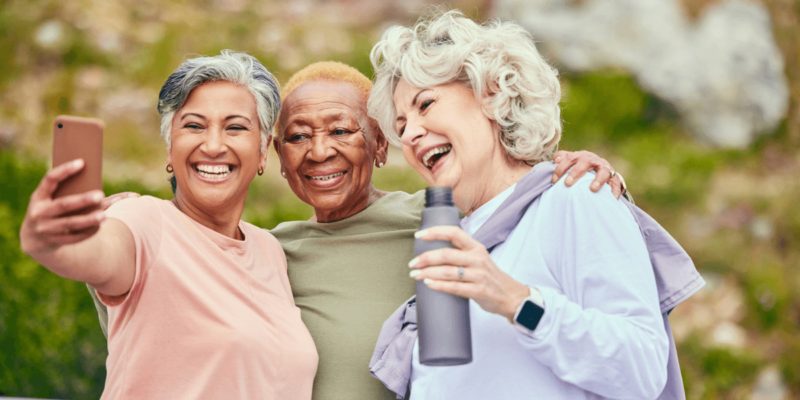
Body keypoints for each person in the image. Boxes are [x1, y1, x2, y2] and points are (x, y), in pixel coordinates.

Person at [89, 61, 628, 399]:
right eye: (298, 136)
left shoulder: (441, 217)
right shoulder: (269, 251)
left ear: (379, 145)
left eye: (342, 130)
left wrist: (564, 167)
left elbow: (517, 202)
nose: (320, 152)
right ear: (274, 157)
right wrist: (139, 217)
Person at [366, 10, 703, 399]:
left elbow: (641, 368)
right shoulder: (446, 238)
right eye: (402, 126)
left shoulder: (577, 197)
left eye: (425, 105)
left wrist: (515, 300)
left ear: (491, 93)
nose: (411, 135)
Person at [22, 51, 317, 400]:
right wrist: (51, 241)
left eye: (235, 127)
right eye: (193, 125)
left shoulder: (269, 250)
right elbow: (97, 252)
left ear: (264, 150)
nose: (213, 145)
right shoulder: (144, 220)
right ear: (169, 147)